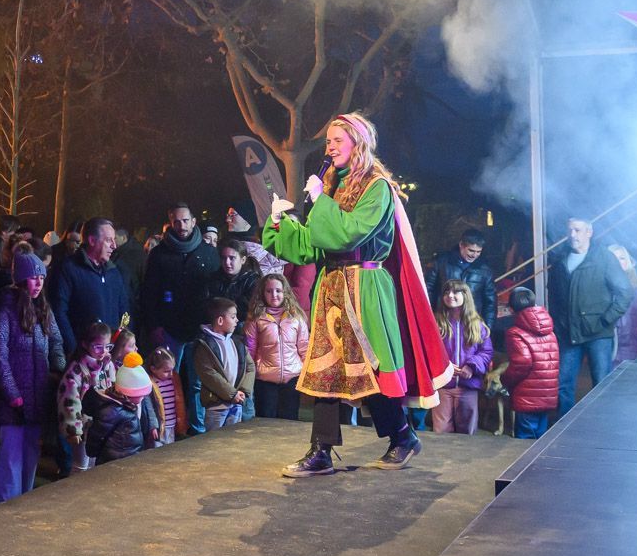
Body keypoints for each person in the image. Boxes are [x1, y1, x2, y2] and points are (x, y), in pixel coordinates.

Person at [261, 114, 451, 478]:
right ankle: (321, 450)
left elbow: (349, 234)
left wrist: (321, 203)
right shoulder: (333, 187)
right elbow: (312, 247)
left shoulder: (377, 188)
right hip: (332, 287)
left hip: (365, 289)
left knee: (372, 370)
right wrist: (279, 224)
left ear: (358, 143)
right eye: (328, 141)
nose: (330, 147)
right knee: (325, 369)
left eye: (337, 140)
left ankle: (402, 435)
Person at [0, 251, 65, 503]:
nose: (38, 283)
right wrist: (12, 394)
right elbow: (0, 356)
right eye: (33, 278)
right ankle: (4, 505)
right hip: (15, 399)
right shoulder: (5, 310)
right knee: (10, 456)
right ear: (20, 280)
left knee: (31, 452)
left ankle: (24, 501)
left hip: (38, 394)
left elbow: (56, 341)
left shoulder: (43, 308)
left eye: (41, 277)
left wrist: (58, 370)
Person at [548, 216, 631, 417]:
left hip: (598, 334)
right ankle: (564, 427)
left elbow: (625, 292)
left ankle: (600, 426)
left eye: (577, 230)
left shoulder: (604, 258)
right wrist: (557, 324)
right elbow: (554, 295)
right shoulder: (559, 259)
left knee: (601, 383)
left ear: (589, 232)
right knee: (563, 384)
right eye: (570, 230)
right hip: (568, 333)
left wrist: (605, 320)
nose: (572, 235)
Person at [139, 203, 218, 357]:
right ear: (171, 223)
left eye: (185, 220)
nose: (182, 226)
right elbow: (149, 292)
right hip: (169, 329)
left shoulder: (208, 252)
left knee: (196, 379)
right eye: (177, 222)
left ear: (193, 222)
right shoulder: (159, 254)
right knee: (169, 376)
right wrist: (154, 326)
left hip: (200, 328)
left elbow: (216, 289)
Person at [48, 217, 131, 356]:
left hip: (110, 354)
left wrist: (122, 345)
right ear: (92, 241)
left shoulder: (114, 272)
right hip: (81, 356)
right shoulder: (67, 269)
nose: (114, 246)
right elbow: (59, 311)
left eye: (114, 240)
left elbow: (124, 310)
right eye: (109, 240)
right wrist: (74, 349)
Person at [243, 274, 309, 421]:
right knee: (266, 422)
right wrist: (250, 376)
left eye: (278, 291)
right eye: (269, 291)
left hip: (292, 379)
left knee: (289, 421)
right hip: (265, 380)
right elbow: (250, 351)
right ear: (262, 293)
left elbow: (304, 348)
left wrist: (306, 376)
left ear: (285, 292)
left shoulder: (296, 317)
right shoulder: (255, 318)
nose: (274, 295)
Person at [430, 281, 493, 435]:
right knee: (441, 431)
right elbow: (429, 349)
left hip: (468, 387)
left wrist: (471, 367)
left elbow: (486, 352)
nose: (450, 296)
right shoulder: (436, 322)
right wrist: (445, 365)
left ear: (465, 296)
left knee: (468, 431)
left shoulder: (477, 324)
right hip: (442, 386)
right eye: (446, 292)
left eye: (455, 292)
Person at [182, 297, 252, 431]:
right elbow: (209, 374)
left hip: (237, 403)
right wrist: (232, 394)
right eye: (233, 317)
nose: (237, 320)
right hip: (216, 408)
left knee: (233, 442)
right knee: (213, 443)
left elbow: (250, 367)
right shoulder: (203, 346)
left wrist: (243, 390)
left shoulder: (237, 342)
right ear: (220, 320)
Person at [500, 286, 559, 439]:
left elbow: (522, 363)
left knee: (524, 441)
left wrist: (505, 379)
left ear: (511, 309)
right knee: (541, 438)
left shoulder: (515, 333)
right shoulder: (550, 330)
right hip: (547, 393)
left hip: (527, 396)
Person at [57, 322, 115, 472]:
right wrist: (73, 428)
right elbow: (70, 399)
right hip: (83, 426)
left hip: (101, 423)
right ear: (85, 344)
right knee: (81, 465)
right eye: (98, 347)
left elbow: (112, 388)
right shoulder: (76, 370)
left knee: (95, 464)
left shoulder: (107, 365)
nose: (103, 351)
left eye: (107, 346)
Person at [84, 355, 159, 464]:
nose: (142, 399)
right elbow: (97, 434)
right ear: (128, 393)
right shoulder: (113, 411)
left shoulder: (127, 406)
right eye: (140, 395)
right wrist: (92, 451)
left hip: (127, 459)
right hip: (113, 462)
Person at [425, 228, 498, 335]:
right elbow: (428, 290)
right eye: (471, 250)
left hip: (472, 324)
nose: (474, 255)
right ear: (461, 245)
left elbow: (490, 302)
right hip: (444, 322)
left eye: (478, 252)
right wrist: (430, 319)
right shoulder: (441, 263)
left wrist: (488, 327)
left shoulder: (485, 271)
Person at [146, 347, 182, 445]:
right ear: (153, 369)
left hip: (172, 426)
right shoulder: (151, 384)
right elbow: (149, 408)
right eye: (166, 371)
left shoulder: (173, 380)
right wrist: (153, 426)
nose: (171, 374)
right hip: (159, 428)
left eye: (172, 370)